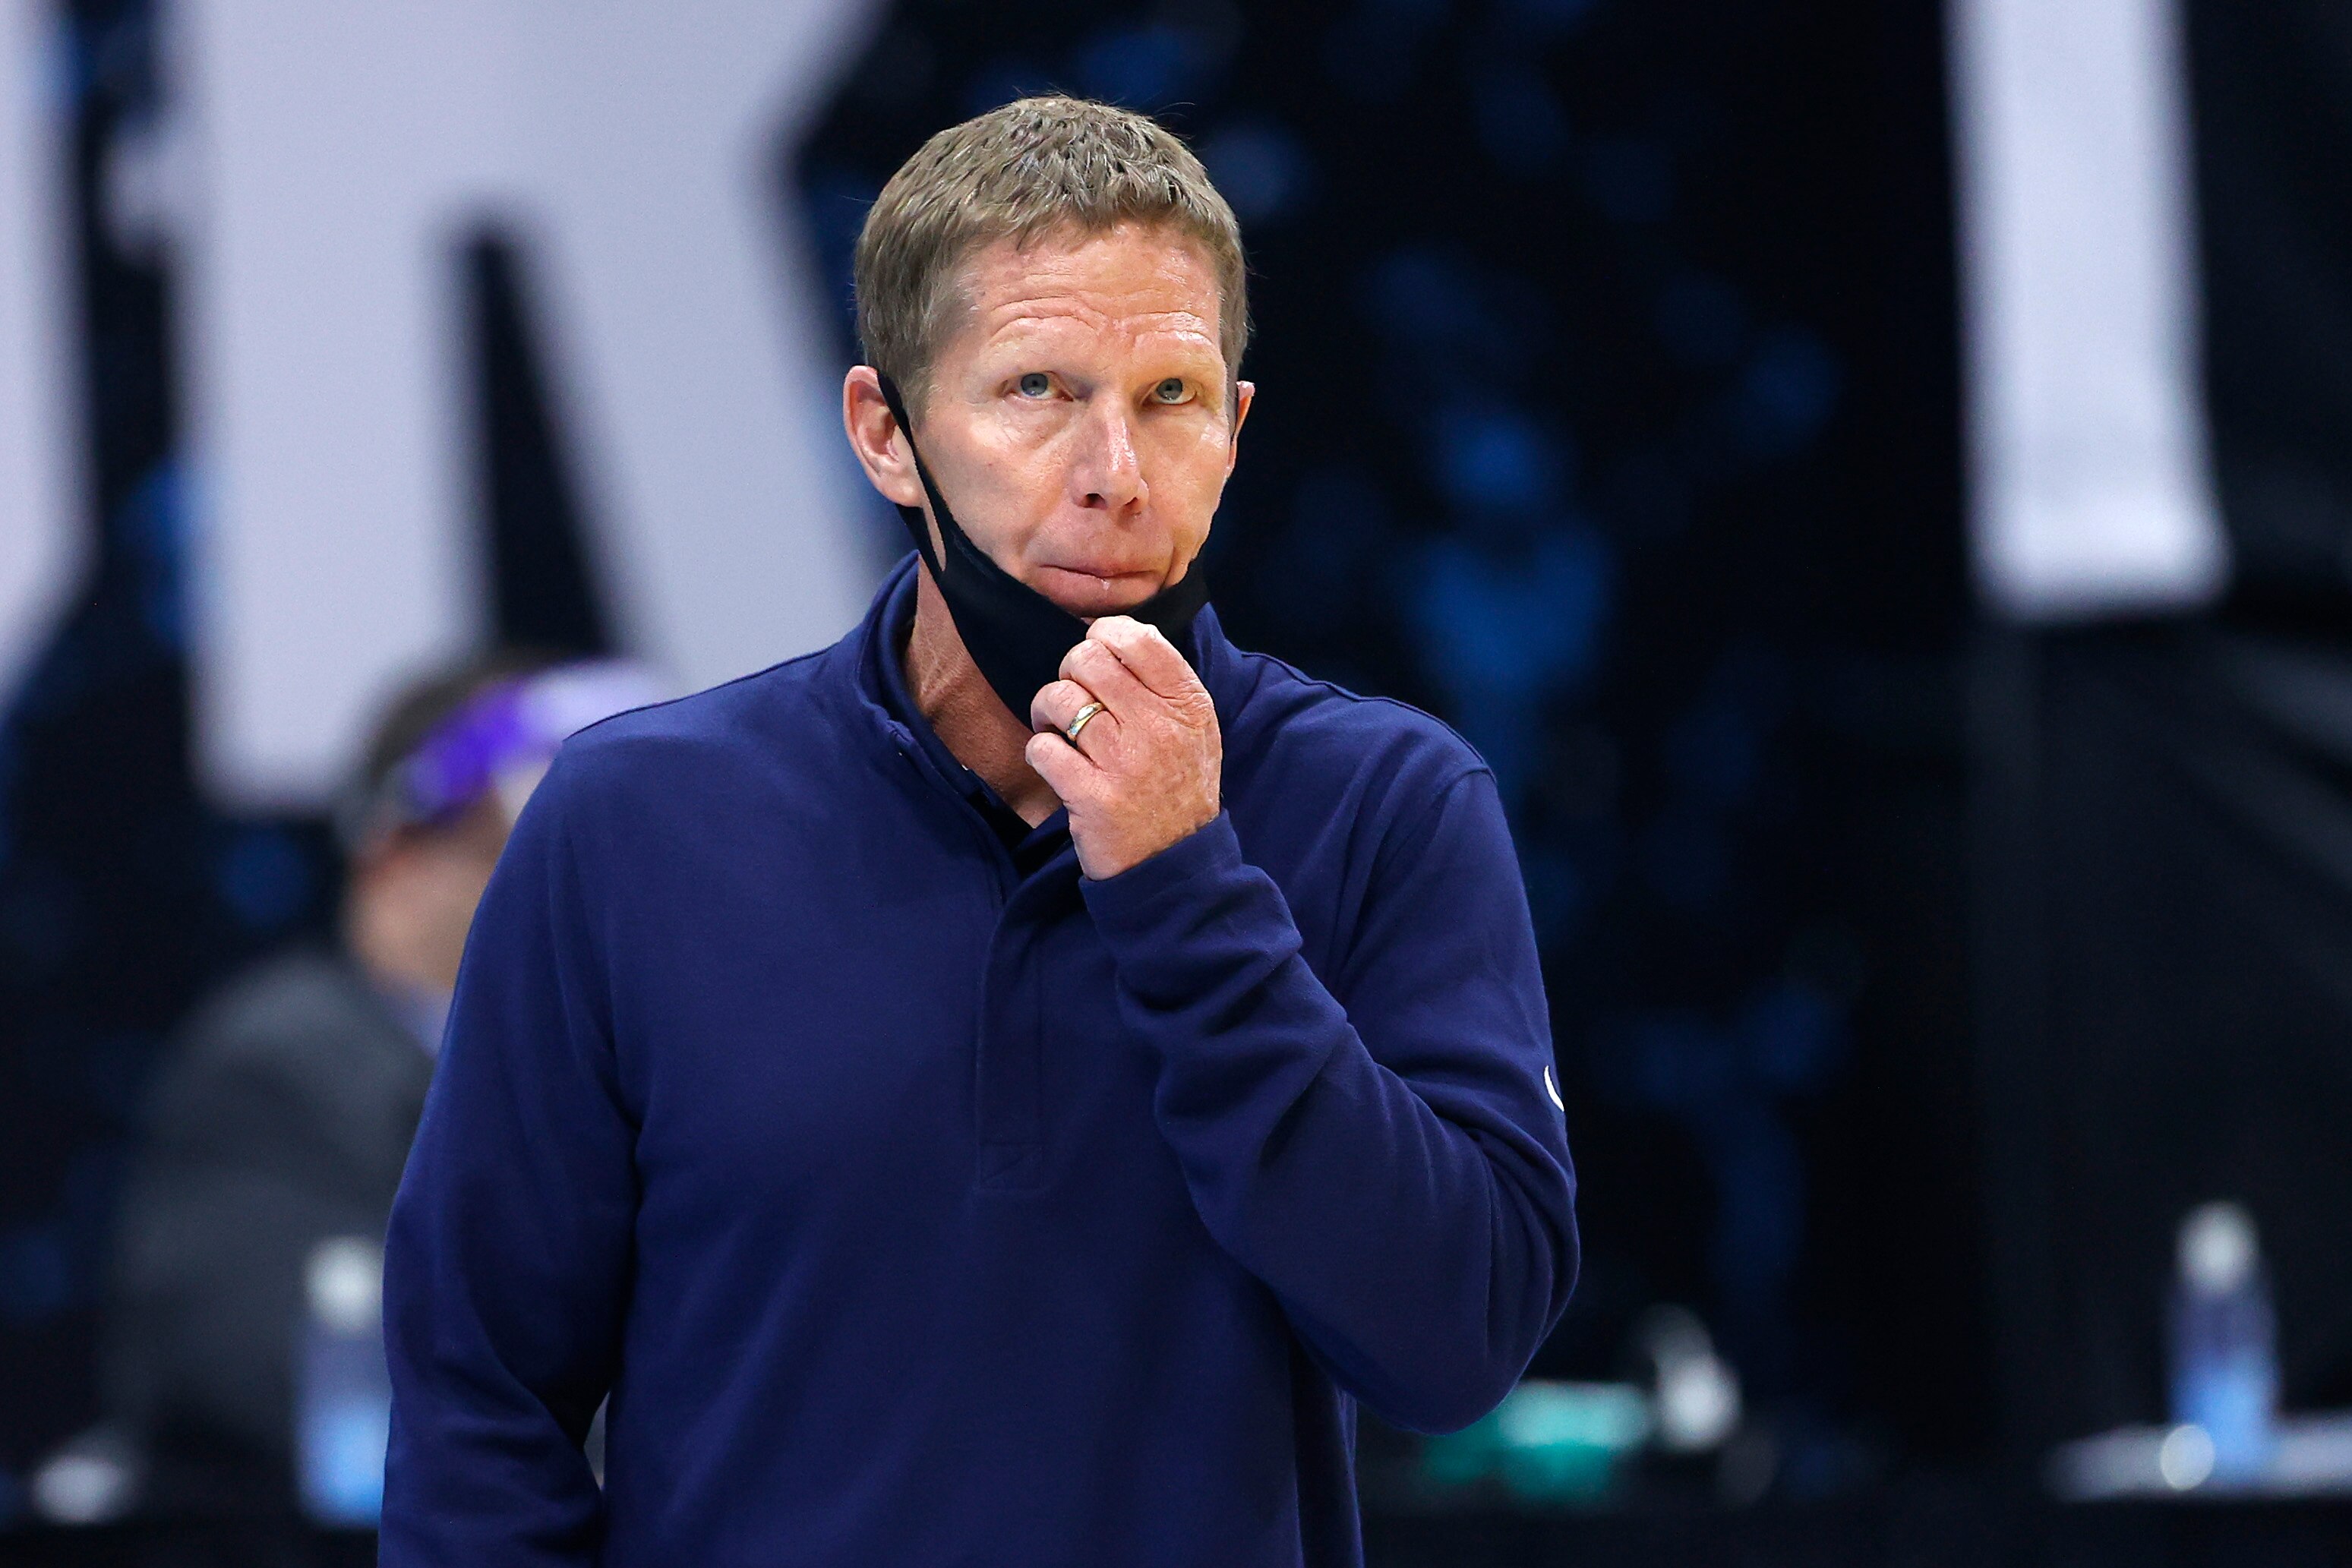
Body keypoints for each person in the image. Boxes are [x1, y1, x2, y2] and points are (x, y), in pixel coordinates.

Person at [382, 96, 1577, 1567]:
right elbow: (475, 1404)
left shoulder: (1390, 805)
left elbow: (1458, 1342)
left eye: (1170, 398)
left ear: (1237, 431)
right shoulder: (631, 826)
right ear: (886, 432)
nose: (1115, 474)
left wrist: (1188, 887)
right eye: (1036, 388)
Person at [87, 655, 652, 1516]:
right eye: (538, 856)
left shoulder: (669, 1083)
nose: (598, 907)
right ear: (396, 857)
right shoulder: (276, 1072)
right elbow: (331, 1390)